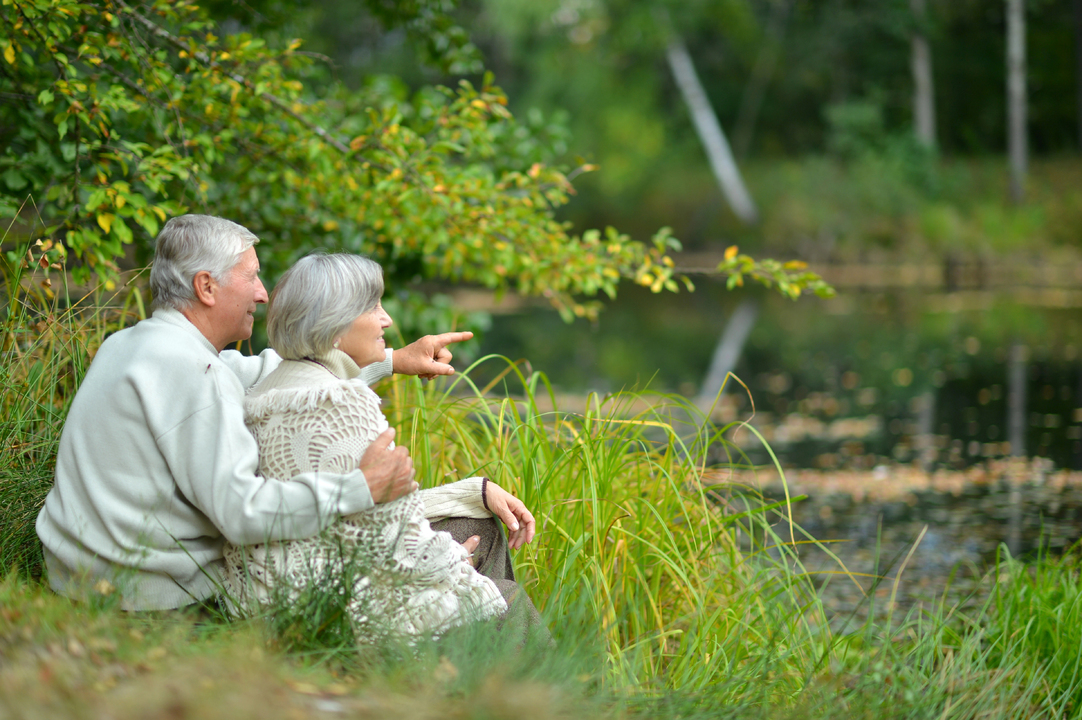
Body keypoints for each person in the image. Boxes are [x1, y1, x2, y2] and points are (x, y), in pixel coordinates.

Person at [35, 214, 469, 611]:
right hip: (155, 602)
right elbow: (242, 514)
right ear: (206, 287)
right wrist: (359, 488)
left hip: (78, 581)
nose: (262, 294)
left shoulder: (132, 345)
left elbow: (266, 373)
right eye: (252, 277)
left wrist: (392, 360)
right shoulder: (196, 373)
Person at [221, 253, 544, 640]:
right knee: (507, 599)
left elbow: (354, 514)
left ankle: (478, 667)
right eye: (373, 306)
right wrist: (457, 562)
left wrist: (472, 493)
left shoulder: (269, 389)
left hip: (279, 589)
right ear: (335, 325)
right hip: (328, 604)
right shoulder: (343, 404)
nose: (387, 319)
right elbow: (396, 540)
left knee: (480, 523)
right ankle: (573, 694)